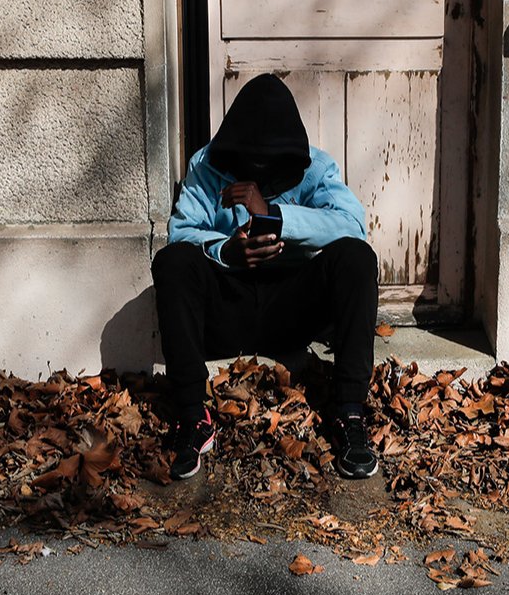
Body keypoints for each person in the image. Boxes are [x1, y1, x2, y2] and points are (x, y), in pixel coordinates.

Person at [152, 74, 380, 481]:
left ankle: (349, 412)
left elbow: (352, 225)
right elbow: (181, 233)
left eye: (268, 166)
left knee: (357, 258)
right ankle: (193, 416)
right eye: (248, 164)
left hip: (291, 310)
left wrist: (274, 214)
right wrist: (226, 250)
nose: (257, 171)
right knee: (172, 261)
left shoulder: (316, 167)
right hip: (229, 308)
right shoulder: (206, 164)